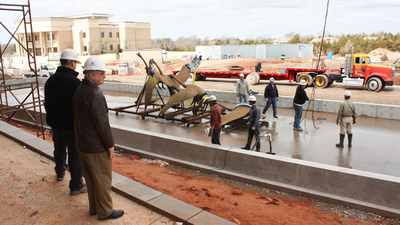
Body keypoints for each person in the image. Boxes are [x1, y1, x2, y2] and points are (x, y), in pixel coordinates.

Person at [72, 57, 124, 220]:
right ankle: (105, 211)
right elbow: (102, 124)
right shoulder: (94, 94)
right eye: (101, 74)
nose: (104, 76)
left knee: (91, 179)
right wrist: (110, 145)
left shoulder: (80, 90)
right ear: (92, 75)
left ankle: (94, 208)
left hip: (83, 143)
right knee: (102, 180)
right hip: (96, 146)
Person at [44, 48, 86, 195]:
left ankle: (60, 172)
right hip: (71, 126)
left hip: (55, 124)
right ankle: (76, 185)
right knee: (75, 155)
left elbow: (47, 103)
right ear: (73, 63)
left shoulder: (50, 81)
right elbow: (80, 107)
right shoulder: (75, 83)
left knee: (59, 148)